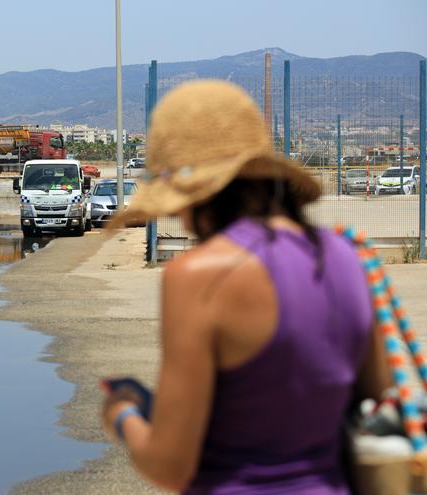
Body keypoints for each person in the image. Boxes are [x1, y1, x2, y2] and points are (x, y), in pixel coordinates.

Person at [101, 80, 389, 494]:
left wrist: (124, 414)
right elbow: (376, 395)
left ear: (198, 193)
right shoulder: (347, 257)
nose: (180, 218)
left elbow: (169, 467)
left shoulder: (200, 276)